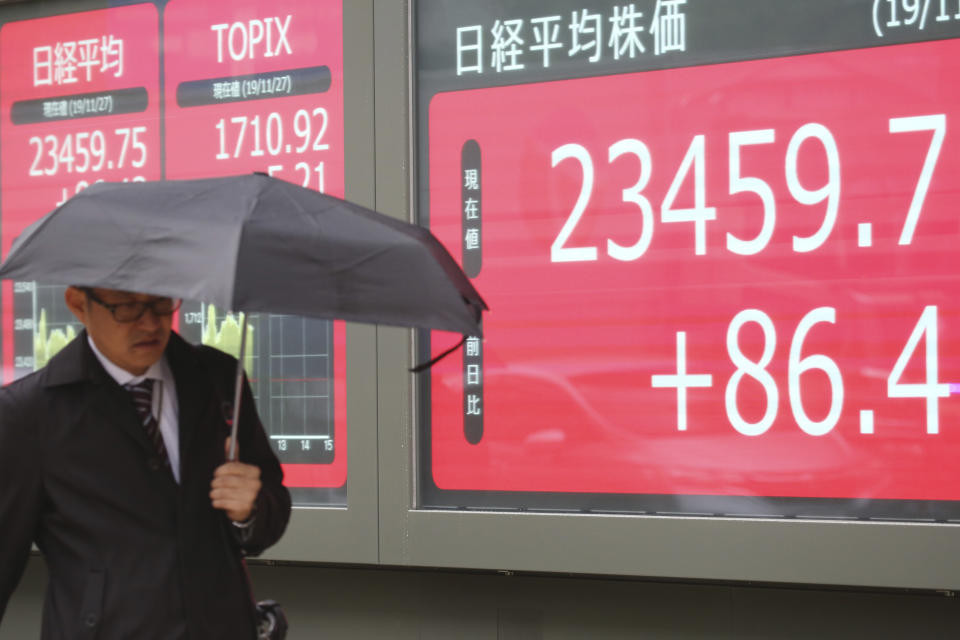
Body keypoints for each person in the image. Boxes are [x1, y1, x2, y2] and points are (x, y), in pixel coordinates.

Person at [0, 286, 291, 639]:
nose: (150, 323)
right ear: (79, 304)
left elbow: (271, 511)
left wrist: (252, 509)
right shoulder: (29, 416)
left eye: (160, 303)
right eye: (127, 308)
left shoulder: (219, 379)